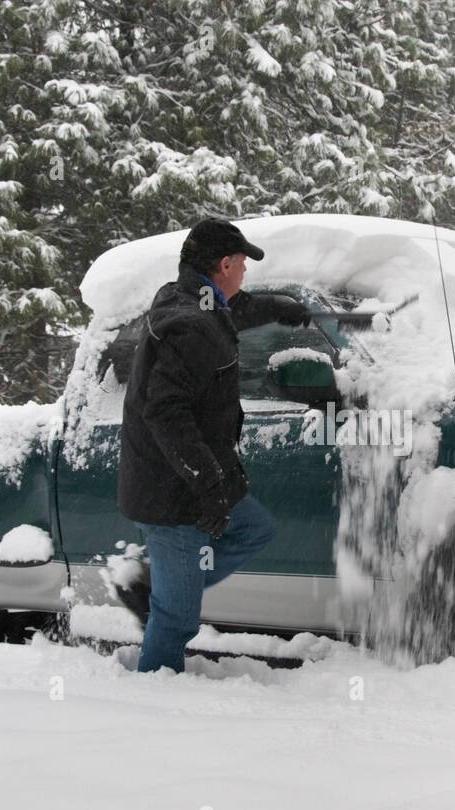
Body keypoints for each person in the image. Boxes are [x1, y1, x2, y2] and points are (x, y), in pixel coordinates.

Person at [117, 218, 311, 673]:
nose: (244, 273)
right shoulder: (190, 326)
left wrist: (276, 308)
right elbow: (166, 414)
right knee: (176, 620)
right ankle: (155, 698)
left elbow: (230, 310)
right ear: (224, 264)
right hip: (174, 491)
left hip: (191, 476)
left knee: (252, 529)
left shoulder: (186, 296)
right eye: (241, 264)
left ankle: (151, 582)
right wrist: (207, 485)